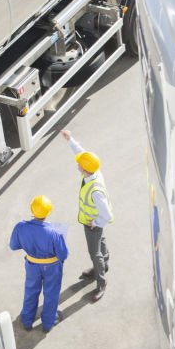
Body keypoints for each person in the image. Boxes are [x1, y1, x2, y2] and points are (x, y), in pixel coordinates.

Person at [60, 129, 112, 302]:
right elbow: (82, 153)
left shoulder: (95, 190)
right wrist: (70, 140)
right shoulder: (93, 170)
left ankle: (101, 282)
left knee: (94, 252)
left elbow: (107, 214)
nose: (78, 165)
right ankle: (104, 264)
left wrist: (95, 222)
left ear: (85, 170)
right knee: (101, 241)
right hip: (92, 221)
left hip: (92, 223)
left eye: (80, 165)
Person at [9, 195, 69, 332]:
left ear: (32, 210)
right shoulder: (55, 232)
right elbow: (63, 255)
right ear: (48, 213)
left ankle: (26, 320)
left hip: (32, 265)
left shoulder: (20, 227)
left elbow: (13, 246)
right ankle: (48, 323)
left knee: (31, 291)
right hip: (52, 267)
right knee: (51, 293)